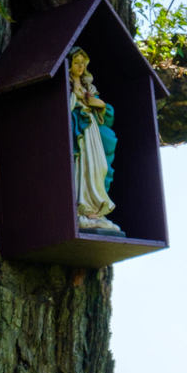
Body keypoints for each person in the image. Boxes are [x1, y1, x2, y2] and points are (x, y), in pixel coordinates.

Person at [68, 46, 123, 235]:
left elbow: (106, 115)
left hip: (92, 130)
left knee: (99, 167)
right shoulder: (66, 85)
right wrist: (76, 102)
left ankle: (95, 211)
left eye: (83, 63)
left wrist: (98, 104)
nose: (80, 66)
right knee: (81, 167)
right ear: (70, 65)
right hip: (78, 131)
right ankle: (80, 208)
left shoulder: (88, 87)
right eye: (76, 62)